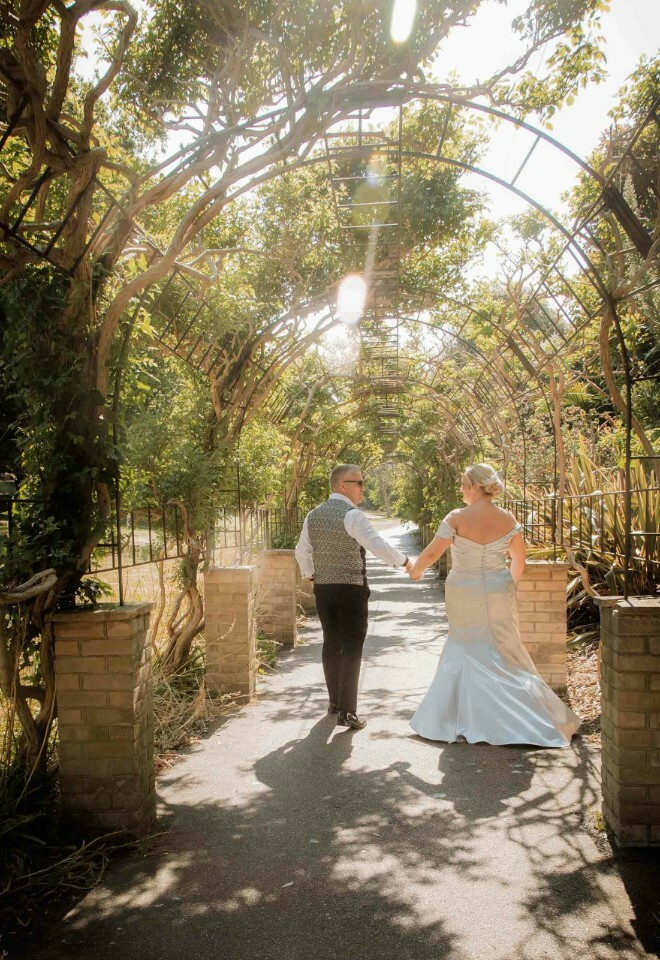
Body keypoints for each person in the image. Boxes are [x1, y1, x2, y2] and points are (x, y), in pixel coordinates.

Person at [408, 463, 580, 747]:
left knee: (465, 646)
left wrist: (415, 571)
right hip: (499, 588)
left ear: (476, 486)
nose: (461, 490)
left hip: (463, 589)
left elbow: (433, 552)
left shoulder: (456, 517)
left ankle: (461, 718)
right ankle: (529, 717)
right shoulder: (507, 517)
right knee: (504, 649)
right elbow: (519, 561)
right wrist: (505, 588)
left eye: (464, 485)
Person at [295, 463, 413, 730]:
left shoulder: (312, 515)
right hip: (350, 590)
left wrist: (312, 575)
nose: (363, 488)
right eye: (358, 483)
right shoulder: (353, 515)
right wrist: (404, 561)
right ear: (342, 486)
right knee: (351, 647)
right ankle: (347, 712)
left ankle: (335, 702)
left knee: (331, 643)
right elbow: (376, 544)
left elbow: (302, 551)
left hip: (324, 589)